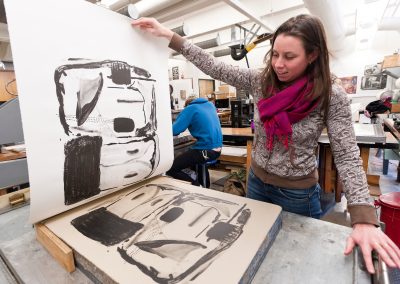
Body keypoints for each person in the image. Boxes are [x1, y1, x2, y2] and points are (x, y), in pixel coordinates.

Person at [132, 15, 400, 273]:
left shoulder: (330, 96)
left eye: (289, 57)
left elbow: (347, 154)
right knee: (254, 251)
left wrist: (363, 218)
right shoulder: (262, 82)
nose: (278, 64)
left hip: (297, 194)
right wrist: (172, 38)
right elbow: (216, 66)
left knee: (297, 261)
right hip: (257, 184)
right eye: (275, 54)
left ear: (313, 56)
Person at [167, 95, 222, 188]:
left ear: (187, 105)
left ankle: (196, 186)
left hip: (206, 150)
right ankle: (205, 185)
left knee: (171, 168)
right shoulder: (210, 105)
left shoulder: (190, 109)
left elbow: (174, 130)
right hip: (217, 149)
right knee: (195, 158)